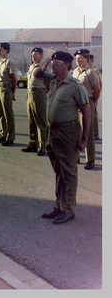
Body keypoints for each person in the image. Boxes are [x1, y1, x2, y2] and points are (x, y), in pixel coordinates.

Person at [35, 51, 91, 224]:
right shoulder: (52, 81)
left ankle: (68, 210)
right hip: (53, 131)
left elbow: (86, 112)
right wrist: (46, 62)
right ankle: (59, 206)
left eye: (57, 61)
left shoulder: (75, 85)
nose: (53, 64)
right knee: (59, 171)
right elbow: (37, 74)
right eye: (53, 61)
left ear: (67, 65)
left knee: (69, 172)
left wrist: (84, 138)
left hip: (68, 131)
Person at [73, 49, 101, 170]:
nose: (77, 60)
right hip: (75, 103)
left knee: (88, 133)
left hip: (87, 102)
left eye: (80, 58)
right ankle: (76, 156)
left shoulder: (90, 72)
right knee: (76, 131)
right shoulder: (74, 72)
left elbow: (97, 89)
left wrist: (93, 102)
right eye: (76, 58)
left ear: (87, 59)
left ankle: (90, 160)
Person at [22, 47, 48, 155]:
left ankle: (43, 146)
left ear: (41, 56)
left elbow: (49, 81)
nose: (33, 56)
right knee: (31, 120)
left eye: (36, 54)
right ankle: (33, 144)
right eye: (32, 55)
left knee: (40, 121)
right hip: (30, 93)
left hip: (39, 93)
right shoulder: (32, 66)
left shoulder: (44, 67)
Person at [0, 42, 17, 146]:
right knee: (1, 114)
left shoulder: (9, 62)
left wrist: (13, 93)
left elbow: (14, 79)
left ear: (6, 50)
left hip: (7, 90)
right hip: (0, 89)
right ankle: (2, 135)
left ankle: (10, 138)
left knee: (8, 115)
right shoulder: (0, 62)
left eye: (1, 49)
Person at [88, 54, 102, 140]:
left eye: (89, 61)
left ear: (92, 62)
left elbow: (100, 84)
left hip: (92, 95)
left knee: (94, 115)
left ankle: (95, 133)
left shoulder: (95, 70)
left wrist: (95, 98)